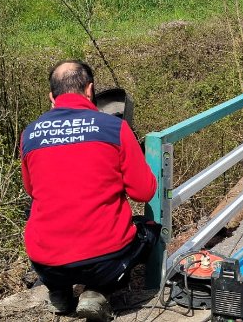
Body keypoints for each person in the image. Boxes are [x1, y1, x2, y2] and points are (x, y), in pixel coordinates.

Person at [20, 60, 158, 321]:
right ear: (90, 90)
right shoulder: (114, 128)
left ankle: (59, 292)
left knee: (37, 217)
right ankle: (98, 291)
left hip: (46, 262)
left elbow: (32, 189)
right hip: (104, 262)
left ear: (52, 96)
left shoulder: (29, 134)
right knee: (148, 230)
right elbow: (144, 192)